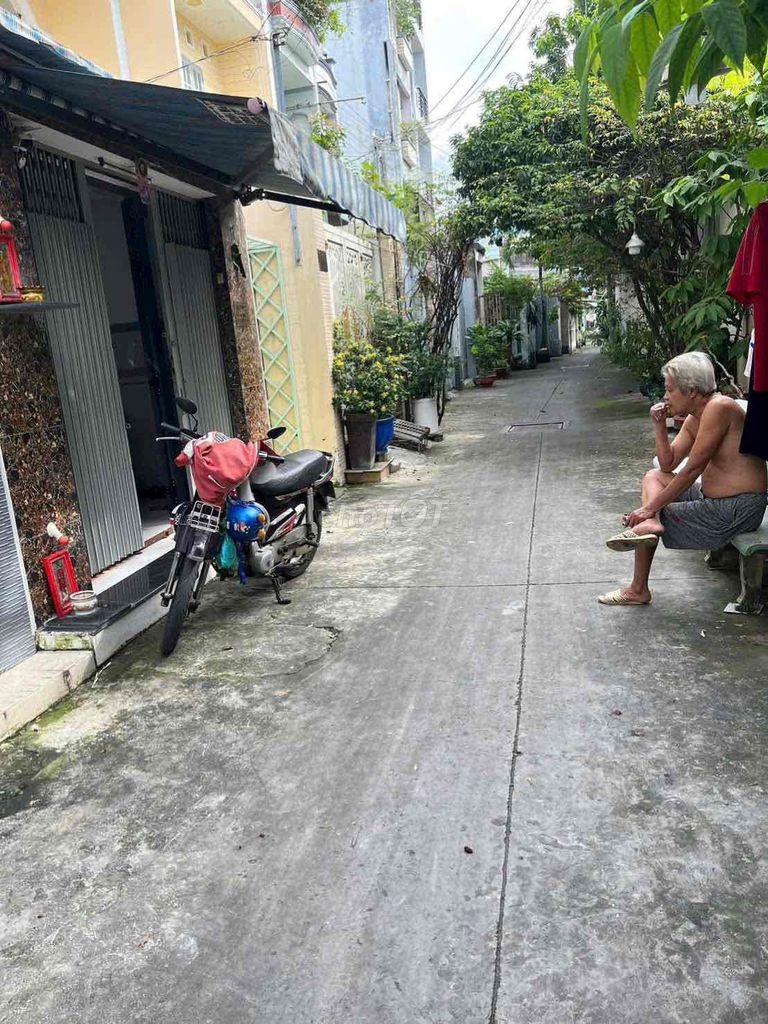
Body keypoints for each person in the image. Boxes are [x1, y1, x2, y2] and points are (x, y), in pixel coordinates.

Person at [598, 352, 768, 606]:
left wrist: (649, 509)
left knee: (655, 513)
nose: (665, 396)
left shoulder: (719, 407)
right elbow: (668, 464)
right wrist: (659, 426)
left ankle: (638, 589)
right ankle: (651, 525)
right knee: (654, 477)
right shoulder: (695, 417)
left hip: (738, 508)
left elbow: (691, 471)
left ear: (691, 391)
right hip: (716, 500)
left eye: (670, 390)